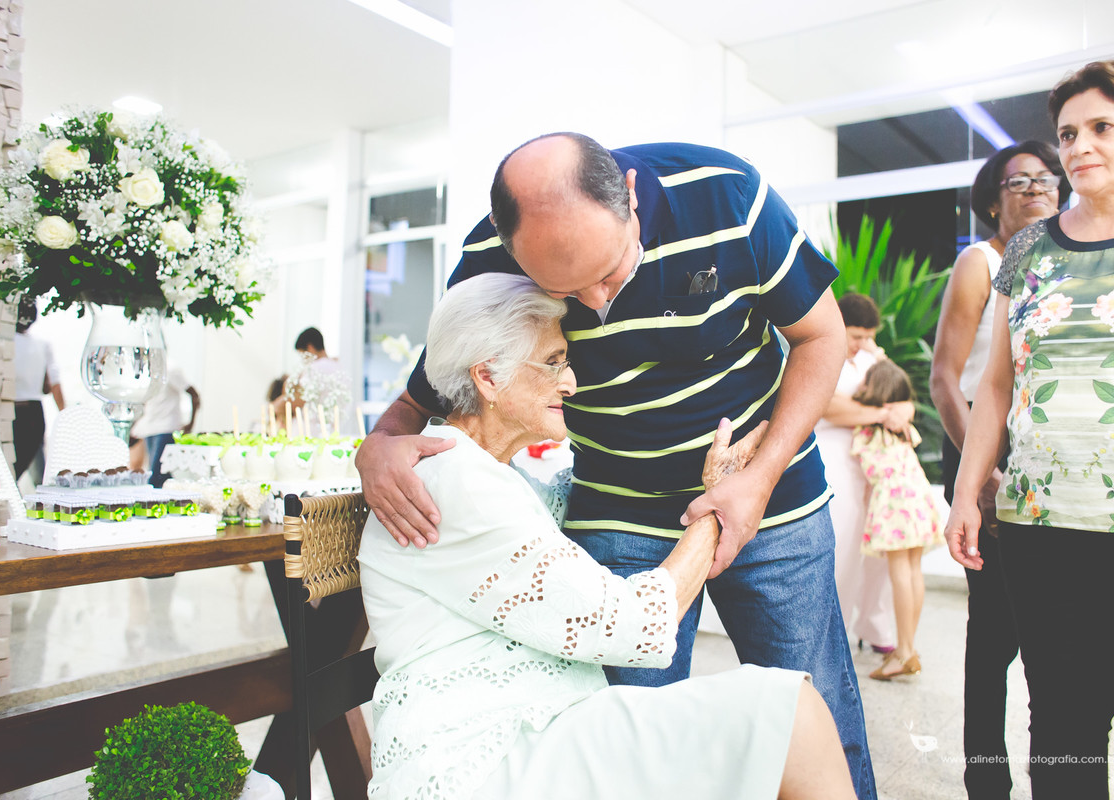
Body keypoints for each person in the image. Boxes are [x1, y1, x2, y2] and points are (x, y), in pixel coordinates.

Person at [357, 133, 877, 800]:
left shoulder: (725, 193)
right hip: (618, 507)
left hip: (773, 496)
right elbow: (433, 389)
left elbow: (821, 335)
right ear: (513, 250)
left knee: (820, 708)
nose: (598, 305)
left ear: (631, 199)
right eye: (567, 294)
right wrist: (376, 446)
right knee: (635, 743)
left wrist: (759, 477)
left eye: (609, 272)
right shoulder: (492, 255)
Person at [945, 58, 1114, 797]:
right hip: (1042, 529)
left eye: (1103, 127)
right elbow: (997, 383)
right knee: (1064, 735)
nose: (1079, 147)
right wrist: (968, 493)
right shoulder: (1030, 251)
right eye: (1068, 133)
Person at [929, 141, 1067, 798]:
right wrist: (978, 475)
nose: (1037, 187)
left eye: (1048, 178)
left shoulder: (1072, 265)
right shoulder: (980, 262)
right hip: (988, 461)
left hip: (1059, 471)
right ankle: (987, 783)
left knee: (1056, 641)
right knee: (994, 637)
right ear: (993, 200)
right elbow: (945, 379)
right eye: (1020, 182)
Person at [814, 293, 912, 657]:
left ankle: (873, 622)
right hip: (832, 454)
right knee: (841, 542)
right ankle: (828, 626)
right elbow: (828, 406)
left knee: (880, 551)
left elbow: (902, 395)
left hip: (876, 462)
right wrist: (881, 414)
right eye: (855, 335)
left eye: (865, 336)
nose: (859, 343)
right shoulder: (819, 349)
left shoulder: (870, 357)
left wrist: (879, 353)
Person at [850, 359, 941, 680]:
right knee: (914, 571)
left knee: (900, 573)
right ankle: (908, 648)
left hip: (893, 501)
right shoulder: (904, 429)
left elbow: (866, 469)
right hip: (917, 495)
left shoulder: (865, 430)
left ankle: (903, 652)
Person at [12, 298, 64, 481]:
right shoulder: (42, 345)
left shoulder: (5, 341)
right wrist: (65, 416)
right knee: (39, 474)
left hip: (10, 410)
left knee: (9, 470)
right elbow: (53, 385)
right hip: (34, 413)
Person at [132, 361, 200, 488]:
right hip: (150, 430)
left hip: (166, 429)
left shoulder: (170, 369)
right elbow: (146, 405)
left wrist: (190, 425)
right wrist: (134, 428)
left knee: (156, 477)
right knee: (159, 475)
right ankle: (177, 499)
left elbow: (194, 395)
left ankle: (173, 502)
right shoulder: (147, 371)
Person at [273, 327, 350, 421]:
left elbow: (297, 399)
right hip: (335, 426)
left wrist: (277, 404)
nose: (303, 360)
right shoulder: (339, 368)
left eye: (303, 355)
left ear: (310, 348)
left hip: (312, 428)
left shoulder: (315, 369)